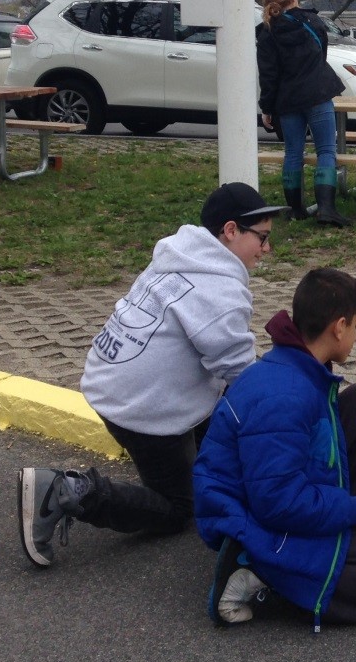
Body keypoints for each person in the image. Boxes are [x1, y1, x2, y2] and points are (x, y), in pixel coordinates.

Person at [17, 182, 279, 567]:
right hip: (142, 410)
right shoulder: (219, 290)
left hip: (111, 381)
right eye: (263, 237)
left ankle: (224, 478)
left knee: (219, 429)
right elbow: (240, 372)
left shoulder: (181, 256)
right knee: (177, 509)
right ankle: (64, 490)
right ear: (230, 230)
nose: (267, 249)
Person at [193, 267, 356, 630]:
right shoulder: (285, 397)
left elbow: (302, 452)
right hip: (258, 525)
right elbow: (279, 504)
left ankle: (330, 534)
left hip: (271, 501)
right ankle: (257, 573)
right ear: (339, 327)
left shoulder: (298, 367)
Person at [256, 0, 348, 226]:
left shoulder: (266, 32)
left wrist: (267, 108)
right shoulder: (313, 22)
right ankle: (326, 209)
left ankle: (296, 209)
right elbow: (321, 56)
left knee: (293, 152)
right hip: (317, 94)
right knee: (325, 150)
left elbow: (268, 75)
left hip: (287, 100)